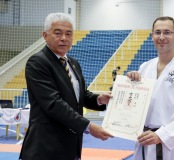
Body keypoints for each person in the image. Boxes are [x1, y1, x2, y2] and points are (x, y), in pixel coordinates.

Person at [19, 12, 113, 160]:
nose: (64, 38)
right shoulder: (38, 62)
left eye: (68, 34)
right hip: (45, 147)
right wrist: (88, 126)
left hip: (71, 145)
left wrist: (99, 99)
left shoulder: (73, 63)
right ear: (45, 35)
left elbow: (80, 95)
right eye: (58, 33)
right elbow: (53, 103)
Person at [126, 16, 174, 160]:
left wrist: (162, 135)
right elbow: (135, 105)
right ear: (152, 36)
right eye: (157, 32)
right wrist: (130, 85)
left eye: (167, 32)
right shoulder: (145, 67)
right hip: (145, 139)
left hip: (172, 146)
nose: (161, 37)